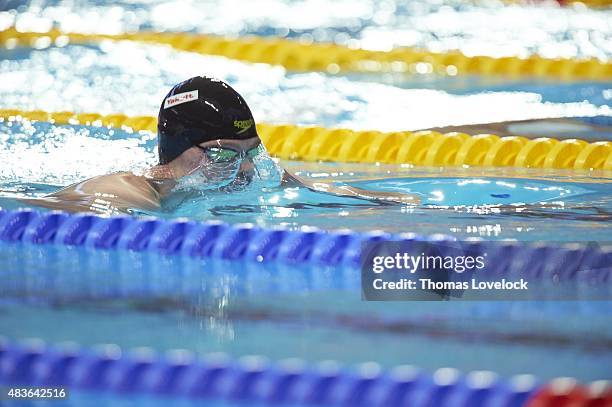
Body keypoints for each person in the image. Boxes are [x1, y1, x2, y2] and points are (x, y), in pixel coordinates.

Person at [20, 76, 420, 215]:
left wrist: (402, 203)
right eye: (227, 153)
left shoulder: (247, 172)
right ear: (182, 150)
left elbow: (324, 194)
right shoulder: (123, 192)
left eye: (250, 152)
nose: (245, 170)